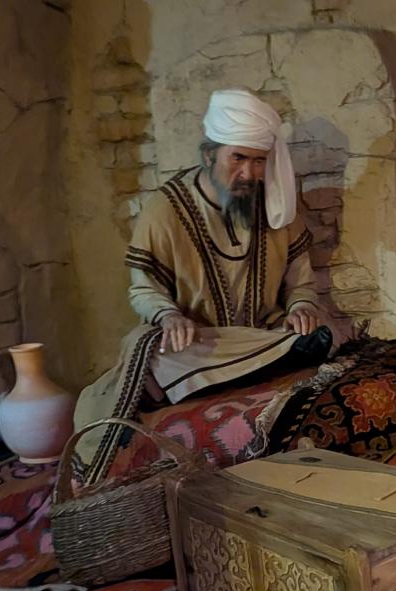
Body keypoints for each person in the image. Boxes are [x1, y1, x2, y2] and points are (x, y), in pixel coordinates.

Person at [74, 88, 333, 482]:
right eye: (238, 158)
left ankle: (261, 359)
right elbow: (143, 289)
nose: (249, 173)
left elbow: (300, 280)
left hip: (261, 333)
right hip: (199, 343)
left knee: (321, 332)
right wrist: (169, 316)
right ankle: (258, 362)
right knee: (151, 352)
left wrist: (302, 306)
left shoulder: (276, 204)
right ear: (210, 155)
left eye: (258, 161)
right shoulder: (165, 209)